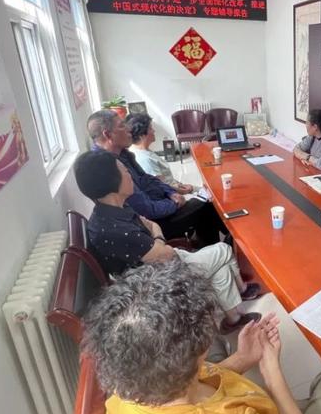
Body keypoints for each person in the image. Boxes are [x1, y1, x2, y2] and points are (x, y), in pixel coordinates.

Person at [84, 260, 321, 414]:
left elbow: (189, 382)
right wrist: (271, 371)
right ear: (199, 351)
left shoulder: (124, 393)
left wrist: (243, 358)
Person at [74, 150, 260, 333]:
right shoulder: (114, 229)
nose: (129, 174)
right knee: (223, 250)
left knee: (220, 263)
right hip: (155, 280)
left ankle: (233, 319)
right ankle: (241, 292)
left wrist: (157, 240)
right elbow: (165, 253)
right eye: (123, 170)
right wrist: (159, 240)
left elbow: (152, 225)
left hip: (156, 263)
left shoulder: (113, 209)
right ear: (111, 180)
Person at [87, 109, 225, 244]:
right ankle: (218, 250)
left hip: (159, 205)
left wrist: (170, 192)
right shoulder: (107, 166)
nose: (129, 130)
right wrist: (175, 203)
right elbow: (147, 210)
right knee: (207, 206)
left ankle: (216, 245)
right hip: (151, 225)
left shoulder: (122, 153)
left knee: (206, 204)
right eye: (122, 126)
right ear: (107, 135)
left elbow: (147, 179)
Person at [126, 113, 193, 193]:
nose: (154, 131)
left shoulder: (141, 150)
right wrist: (185, 191)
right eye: (150, 128)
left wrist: (180, 184)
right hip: (172, 196)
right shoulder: (145, 160)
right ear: (142, 135)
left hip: (175, 188)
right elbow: (161, 187)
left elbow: (165, 180)